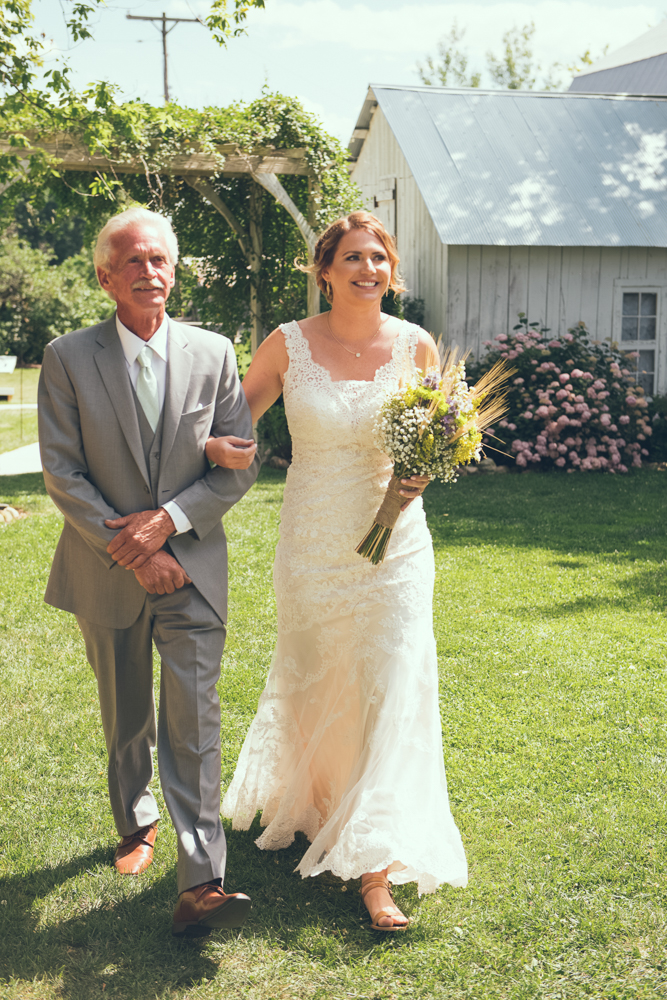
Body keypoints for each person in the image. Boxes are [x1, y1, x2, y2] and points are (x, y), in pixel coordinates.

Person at [208, 211, 468, 931]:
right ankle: (320, 801)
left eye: (378, 258)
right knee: (322, 671)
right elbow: (236, 422)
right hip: (313, 541)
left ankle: (374, 867)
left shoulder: (415, 345)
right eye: (352, 258)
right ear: (324, 270)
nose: (367, 270)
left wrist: (428, 468)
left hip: (396, 547)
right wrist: (219, 451)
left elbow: (444, 429)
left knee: (387, 683)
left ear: (391, 271)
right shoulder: (287, 344)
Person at [38, 206, 260, 938]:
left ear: (174, 271)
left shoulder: (215, 353)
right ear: (106, 277)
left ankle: (202, 880)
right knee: (126, 714)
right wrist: (137, 552)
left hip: (193, 568)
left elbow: (236, 466)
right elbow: (64, 473)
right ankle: (135, 824)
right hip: (106, 572)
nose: (147, 271)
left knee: (193, 721)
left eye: (159, 259)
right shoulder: (68, 356)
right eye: (131, 261)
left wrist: (169, 525)